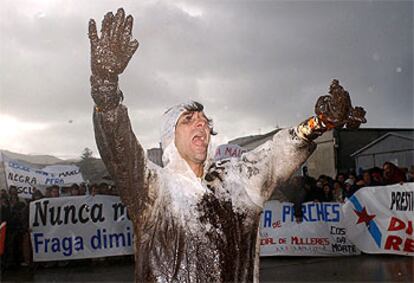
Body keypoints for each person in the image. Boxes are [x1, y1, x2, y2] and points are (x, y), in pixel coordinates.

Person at [88, 8, 366, 282]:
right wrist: (105, 86)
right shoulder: (154, 191)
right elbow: (120, 149)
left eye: (204, 120)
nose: (201, 124)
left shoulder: (234, 183)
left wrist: (321, 122)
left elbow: (276, 153)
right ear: (169, 139)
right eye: (188, 120)